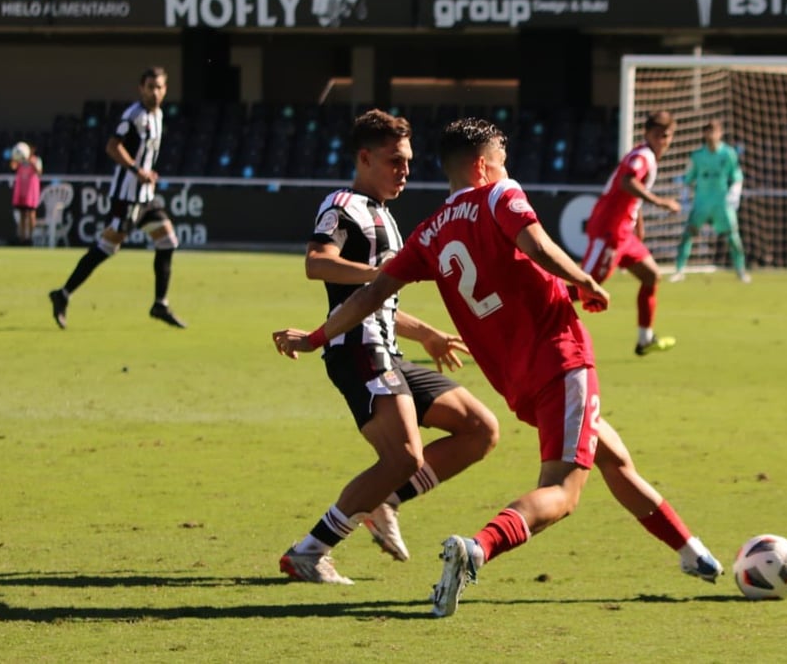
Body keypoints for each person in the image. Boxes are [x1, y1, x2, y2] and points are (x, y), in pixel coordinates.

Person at [273, 117, 723, 618]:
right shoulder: (498, 195)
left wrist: (316, 336)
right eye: (502, 163)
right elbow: (537, 246)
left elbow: (374, 293)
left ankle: (693, 554)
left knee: (610, 457)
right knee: (563, 490)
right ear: (485, 166)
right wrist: (585, 282)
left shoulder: (427, 232)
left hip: (520, 382)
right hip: (561, 357)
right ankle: (476, 549)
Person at [277, 109, 500, 584]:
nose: (405, 171)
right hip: (357, 351)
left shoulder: (386, 217)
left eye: (408, 161)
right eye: (395, 161)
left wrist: (429, 335)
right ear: (364, 158)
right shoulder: (341, 205)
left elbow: (383, 301)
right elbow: (318, 263)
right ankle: (309, 551)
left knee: (480, 429)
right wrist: (378, 275)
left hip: (388, 349)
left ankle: (387, 502)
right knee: (403, 458)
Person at [48, 66, 185, 330]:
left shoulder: (158, 114)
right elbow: (112, 146)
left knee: (168, 241)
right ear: (141, 89)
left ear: (165, 90)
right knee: (107, 247)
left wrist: (147, 173)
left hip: (146, 196)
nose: (154, 92)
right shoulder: (134, 115)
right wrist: (137, 170)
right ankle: (63, 293)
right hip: (127, 196)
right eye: (150, 87)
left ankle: (160, 304)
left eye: (159, 87)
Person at [580, 110, 683, 356]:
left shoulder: (646, 157)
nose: (663, 141)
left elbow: (630, 195)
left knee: (651, 276)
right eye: (658, 135)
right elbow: (628, 182)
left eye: (667, 136)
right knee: (586, 286)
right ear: (647, 134)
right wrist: (660, 202)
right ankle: (529, 313)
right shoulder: (642, 156)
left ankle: (645, 338)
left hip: (625, 232)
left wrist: (639, 224)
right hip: (610, 230)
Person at [670, 119, 750, 283]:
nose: (712, 135)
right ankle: (679, 270)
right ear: (704, 134)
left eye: (715, 131)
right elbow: (688, 178)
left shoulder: (728, 154)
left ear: (720, 133)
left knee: (733, 238)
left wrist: (735, 192)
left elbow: (736, 176)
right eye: (709, 131)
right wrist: (684, 197)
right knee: (688, 234)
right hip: (702, 203)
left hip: (722, 203)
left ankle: (741, 271)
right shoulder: (697, 156)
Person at [10, 141, 42, 246]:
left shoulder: (36, 160)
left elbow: (39, 172)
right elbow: (13, 167)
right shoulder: (20, 161)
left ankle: (31, 237)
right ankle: (22, 238)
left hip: (31, 192)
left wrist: (32, 163)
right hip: (21, 191)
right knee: (22, 215)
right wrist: (15, 157)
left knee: (31, 214)